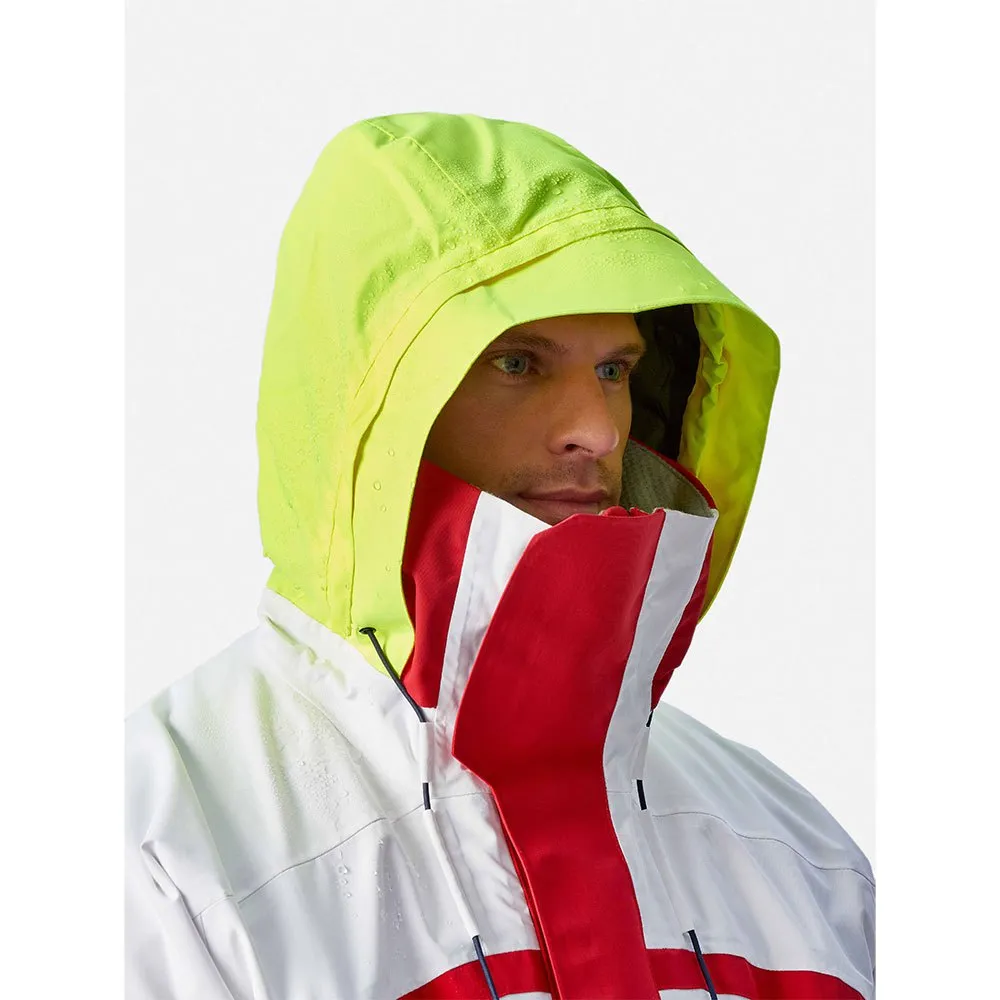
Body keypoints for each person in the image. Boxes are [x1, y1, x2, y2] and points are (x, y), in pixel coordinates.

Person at [125, 111, 875, 999]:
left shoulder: (800, 855)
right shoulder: (167, 858)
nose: (598, 431)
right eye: (518, 364)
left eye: (615, 370)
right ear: (367, 413)